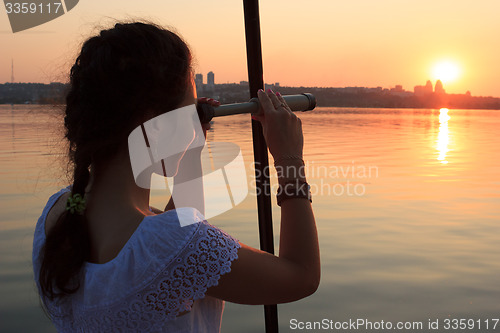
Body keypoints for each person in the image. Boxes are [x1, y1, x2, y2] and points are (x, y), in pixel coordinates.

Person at [32, 22, 320, 332]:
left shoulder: (57, 216)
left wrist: (191, 146)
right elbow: (301, 276)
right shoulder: (175, 247)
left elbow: (171, 244)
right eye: (187, 111)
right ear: (153, 121)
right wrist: (289, 159)